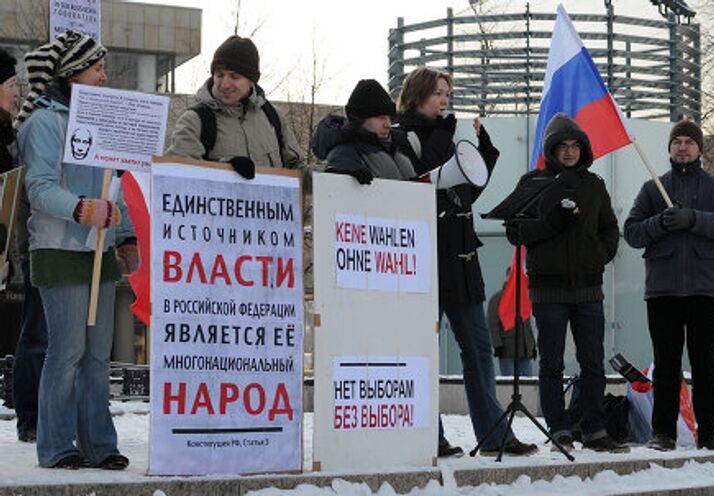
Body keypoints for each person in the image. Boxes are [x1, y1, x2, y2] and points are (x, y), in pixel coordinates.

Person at [396, 66, 536, 457]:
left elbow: (463, 194)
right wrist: (445, 142)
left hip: (460, 260)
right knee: (422, 350)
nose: (444, 100)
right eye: (439, 92)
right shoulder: (401, 135)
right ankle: (430, 436)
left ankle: (494, 436)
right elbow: (417, 189)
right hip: (425, 259)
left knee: (477, 349)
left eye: (447, 93)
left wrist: (485, 155)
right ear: (419, 93)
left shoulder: (446, 135)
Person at [15, 30, 137, 470]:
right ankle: (56, 445)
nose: (104, 76)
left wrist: (125, 236)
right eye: (97, 68)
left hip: (99, 253)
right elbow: (41, 189)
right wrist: (84, 210)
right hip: (59, 250)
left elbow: (114, 187)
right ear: (72, 74)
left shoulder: (100, 122)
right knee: (65, 353)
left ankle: (99, 445)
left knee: (97, 355)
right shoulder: (43, 124)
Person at [504, 113, 626, 453]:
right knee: (552, 363)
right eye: (563, 146)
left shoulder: (594, 184)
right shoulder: (533, 182)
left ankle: (595, 429)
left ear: (583, 149)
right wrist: (553, 223)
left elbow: (609, 227)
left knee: (593, 361)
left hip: (589, 287)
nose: (570, 152)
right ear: (551, 150)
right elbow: (515, 231)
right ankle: (558, 428)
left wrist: (601, 254)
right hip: (548, 288)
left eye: (575, 146)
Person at [624, 119, 714, 453]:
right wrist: (660, 222)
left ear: (700, 148)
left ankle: (710, 433)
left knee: (705, 364)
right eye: (677, 141)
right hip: (663, 291)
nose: (682, 146)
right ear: (669, 148)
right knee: (666, 364)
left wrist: (693, 219)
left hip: (705, 290)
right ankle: (663, 433)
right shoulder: (652, 189)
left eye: (689, 141)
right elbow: (632, 232)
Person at [166, 35, 303, 176]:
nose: (225, 84)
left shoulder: (273, 117)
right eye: (219, 75)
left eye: (234, 77)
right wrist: (226, 168)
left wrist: (322, 174)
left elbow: (295, 168)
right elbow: (177, 174)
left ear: (251, 80)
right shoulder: (195, 121)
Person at [0, 47, 48, 444]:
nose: (17, 93)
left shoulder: (9, 134)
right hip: (31, 247)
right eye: (11, 84)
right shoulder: (27, 129)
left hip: (9, 252)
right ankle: (29, 416)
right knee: (35, 335)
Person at [311, 79, 415, 182]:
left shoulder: (400, 148)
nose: (388, 124)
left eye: (389, 118)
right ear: (360, 119)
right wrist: (342, 175)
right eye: (381, 117)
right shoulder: (344, 155)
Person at [486, 267, 537, 377]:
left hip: (524, 350)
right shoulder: (498, 298)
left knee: (528, 382)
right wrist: (497, 345)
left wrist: (531, 345)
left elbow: (528, 325)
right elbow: (493, 324)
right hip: (507, 349)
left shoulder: (524, 299)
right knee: (508, 383)